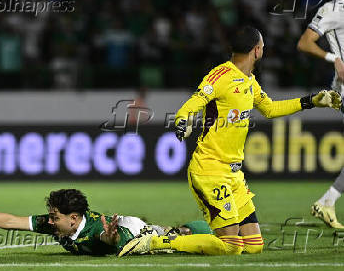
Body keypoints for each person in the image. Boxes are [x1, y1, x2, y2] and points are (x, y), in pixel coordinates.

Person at [118, 26, 342, 257]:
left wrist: (311, 101)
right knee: (232, 247)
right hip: (209, 170)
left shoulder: (249, 81)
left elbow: (271, 108)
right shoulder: (221, 76)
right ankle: (156, 241)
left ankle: (184, 234)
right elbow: (194, 101)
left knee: (254, 246)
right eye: (262, 46)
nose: (263, 49)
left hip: (234, 175)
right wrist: (183, 121)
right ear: (257, 51)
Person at [0, 189, 212, 256]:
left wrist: (112, 236)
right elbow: (11, 221)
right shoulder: (57, 223)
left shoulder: (93, 231)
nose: (50, 221)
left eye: (55, 217)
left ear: (74, 218)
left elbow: (107, 241)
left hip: (130, 231)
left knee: (171, 242)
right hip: (115, 229)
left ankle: (199, 231)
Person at [297, 0, 344, 229]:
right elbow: (305, 42)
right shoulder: (332, 9)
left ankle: (327, 201)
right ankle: (327, 201)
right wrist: (333, 58)